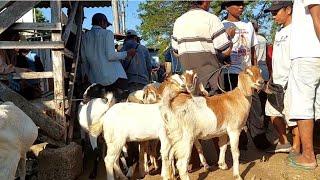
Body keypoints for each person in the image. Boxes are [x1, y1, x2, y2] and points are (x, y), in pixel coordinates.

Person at [222, 1, 272, 150]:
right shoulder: (220, 25)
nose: (241, 7)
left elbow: (253, 51)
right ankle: (240, 142)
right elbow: (219, 49)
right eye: (236, 4)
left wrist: (255, 70)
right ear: (226, 7)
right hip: (230, 72)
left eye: (242, 4)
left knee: (255, 106)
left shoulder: (248, 25)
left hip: (248, 74)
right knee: (234, 108)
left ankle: (260, 140)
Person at [172, 0, 234, 95]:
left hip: (189, 82)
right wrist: (229, 37)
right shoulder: (211, 18)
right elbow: (225, 50)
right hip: (210, 82)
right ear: (205, 1)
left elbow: (176, 52)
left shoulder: (178, 21)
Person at [264, 1, 301, 154]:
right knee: (272, 112)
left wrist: (292, 80)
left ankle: (297, 147)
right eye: (271, 13)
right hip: (276, 81)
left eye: (276, 12)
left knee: (293, 115)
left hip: (291, 81)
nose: (273, 16)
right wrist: (271, 79)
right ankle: (284, 141)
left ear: (288, 10)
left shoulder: (297, 30)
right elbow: (276, 58)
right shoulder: (279, 32)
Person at [287, 0, 320, 170]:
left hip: (308, 55)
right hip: (313, 54)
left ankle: (308, 155)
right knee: (316, 106)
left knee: (304, 105)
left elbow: (318, 17)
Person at [81, 13, 136, 99]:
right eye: (106, 24)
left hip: (96, 80)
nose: (106, 27)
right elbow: (111, 56)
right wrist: (127, 53)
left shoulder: (85, 37)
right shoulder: (107, 33)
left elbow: (84, 60)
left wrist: (89, 76)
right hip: (115, 78)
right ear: (102, 22)